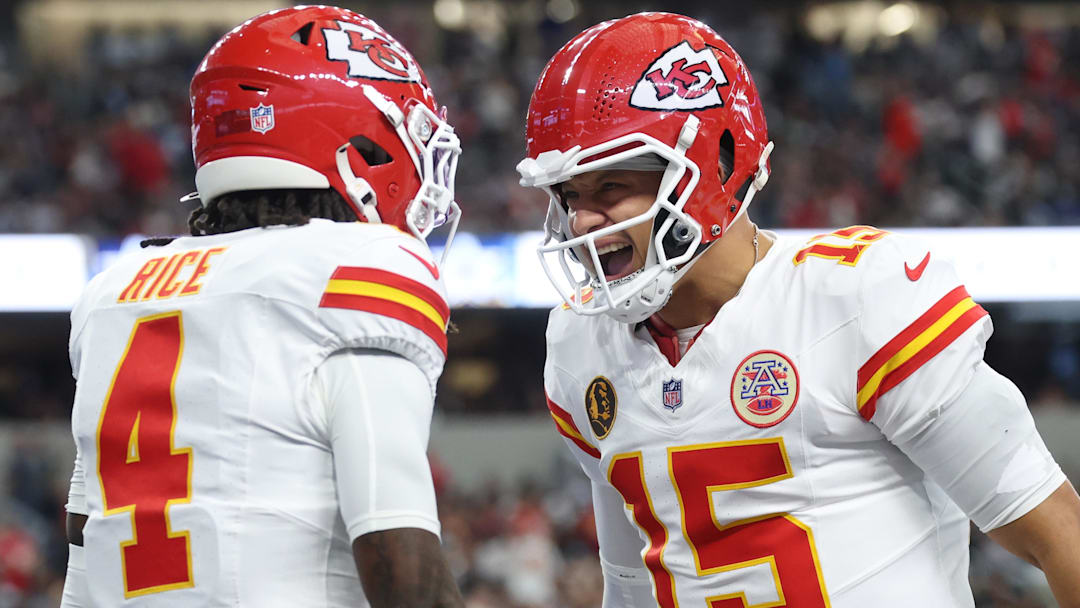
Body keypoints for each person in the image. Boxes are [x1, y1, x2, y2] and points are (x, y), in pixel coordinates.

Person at [517, 11, 1080, 607]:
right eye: (570, 195)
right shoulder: (580, 343)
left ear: (719, 165)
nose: (581, 220)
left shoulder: (855, 296)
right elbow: (630, 584)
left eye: (611, 187)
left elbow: (1058, 536)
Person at [60, 6, 465, 607]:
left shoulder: (116, 291)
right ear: (357, 152)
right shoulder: (354, 269)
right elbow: (401, 564)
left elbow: (82, 551)